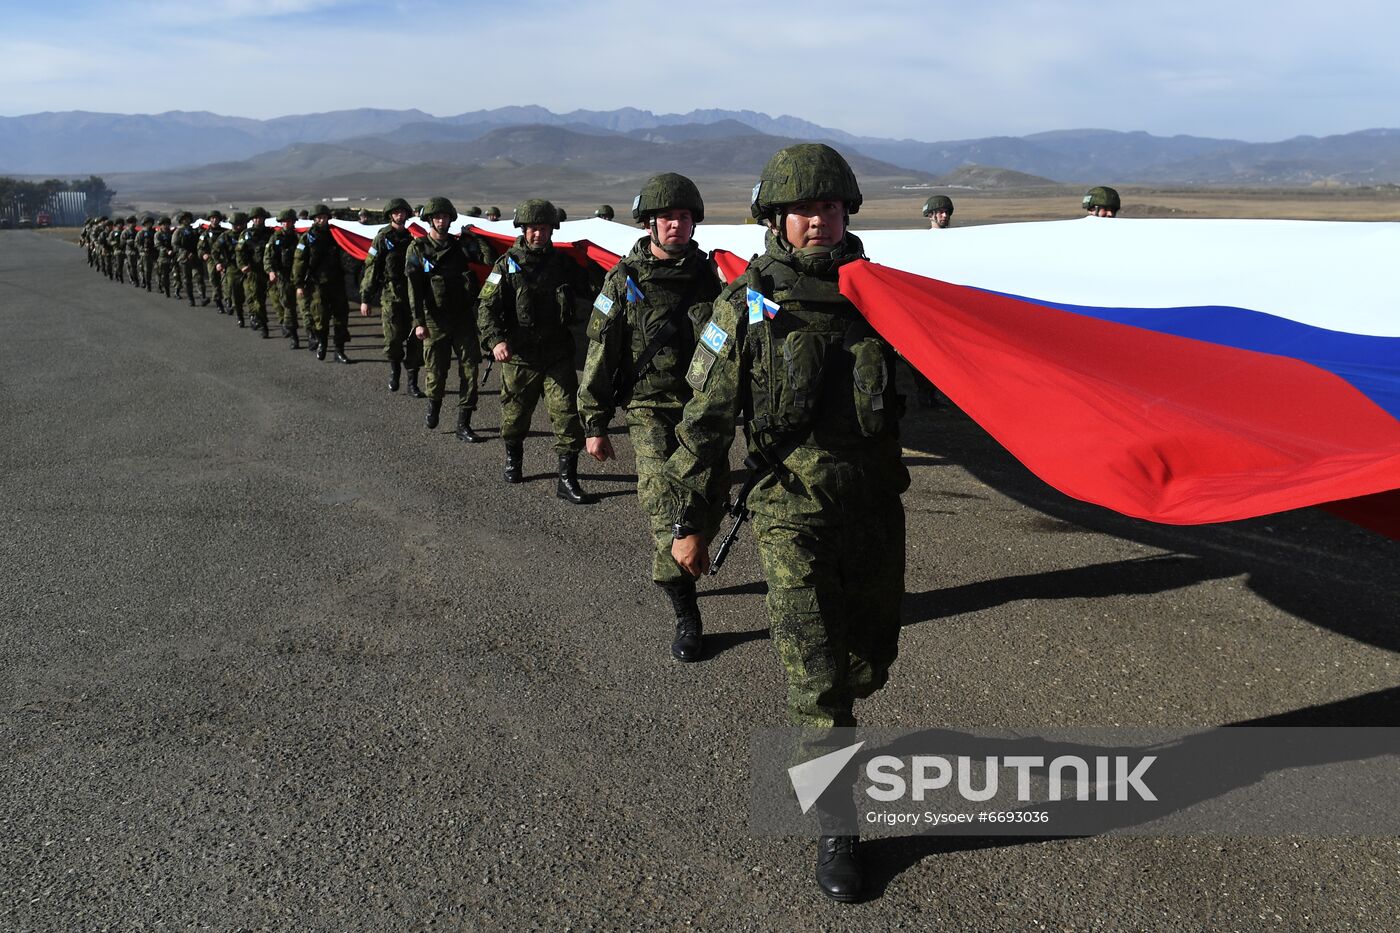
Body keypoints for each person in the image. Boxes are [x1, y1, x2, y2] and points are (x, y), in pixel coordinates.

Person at [663, 143, 908, 902]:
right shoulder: (744, 307)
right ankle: (839, 825)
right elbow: (703, 425)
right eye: (804, 209)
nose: (819, 219)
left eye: (831, 206)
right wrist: (690, 523)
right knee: (818, 680)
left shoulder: (886, 299)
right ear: (776, 218)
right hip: (788, 512)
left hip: (872, 509)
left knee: (869, 658)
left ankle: (839, 721)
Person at [578, 173, 725, 661]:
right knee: (665, 507)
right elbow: (600, 354)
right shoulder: (622, 282)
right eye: (667, 218)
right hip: (649, 411)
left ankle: (691, 547)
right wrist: (594, 424)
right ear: (648, 224)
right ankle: (687, 612)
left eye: (684, 217)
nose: (676, 226)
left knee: (708, 500)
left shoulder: (713, 277)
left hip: (704, 411)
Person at [477, 199, 596, 503]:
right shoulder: (506, 265)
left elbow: (592, 286)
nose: (538, 235)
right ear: (523, 229)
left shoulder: (563, 264)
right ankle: (513, 459)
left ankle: (567, 480)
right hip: (520, 358)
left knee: (568, 416)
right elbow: (486, 308)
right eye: (532, 229)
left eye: (543, 229)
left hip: (557, 355)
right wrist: (496, 341)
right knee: (515, 418)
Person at [406, 197, 482, 439]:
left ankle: (464, 423)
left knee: (470, 370)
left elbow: (489, 259)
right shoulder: (418, 248)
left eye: (445, 217)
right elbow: (414, 288)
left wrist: (477, 237)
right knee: (436, 371)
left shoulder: (461, 246)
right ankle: (434, 405)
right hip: (434, 320)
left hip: (463, 319)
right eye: (437, 217)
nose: (442, 221)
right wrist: (418, 322)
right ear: (430, 220)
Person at [360, 197, 426, 397]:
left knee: (416, 340)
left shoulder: (412, 238)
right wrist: (365, 298)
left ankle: (413, 383)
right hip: (391, 296)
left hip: (412, 296)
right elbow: (372, 268)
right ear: (391, 215)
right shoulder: (382, 238)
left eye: (402, 212)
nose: (400, 215)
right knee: (394, 339)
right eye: (396, 212)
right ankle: (395, 371)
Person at [293, 204, 351, 362]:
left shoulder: (337, 235)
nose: (321, 220)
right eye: (318, 217)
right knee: (320, 317)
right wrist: (299, 285)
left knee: (341, 317)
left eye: (324, 217)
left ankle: (339, 350)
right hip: (317, 284)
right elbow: (299, 261)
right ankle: (322, 344)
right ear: (313, 219)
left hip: (336, 282)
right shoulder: (307, 237)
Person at [265, 210, 302, 348]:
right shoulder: (275, 238)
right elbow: (268, 257)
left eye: (289, 221)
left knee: (305, 307)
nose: (287, 223)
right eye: (284, 221)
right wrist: (271, 271)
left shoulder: (300, 237)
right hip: (284, 276)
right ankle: (294, 336)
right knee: (289, 306)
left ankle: (312, 335)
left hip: (299, 276)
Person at [237, 207, 272, 336]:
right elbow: (239, 252)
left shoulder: (271, 233)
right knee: (258, 299)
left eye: (260, 218)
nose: (258, 220)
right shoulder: (246, 234)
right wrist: (243, 265)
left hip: (270, 270)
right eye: (255, 218)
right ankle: (263, 325)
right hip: (254, 271)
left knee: (278, 299)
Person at [212, 213, 246, 324]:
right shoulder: (225, 236)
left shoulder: (248, 235)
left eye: (240, 224)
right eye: (235, 225)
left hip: (248, 267)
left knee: (252, 292)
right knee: (236, 292)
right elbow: (215, 250)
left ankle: (254, 316)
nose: (238, 227)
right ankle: (240, 315)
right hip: (232, 267)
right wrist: (218, 262)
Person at [173, 211, 208, 306]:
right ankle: (191, 299)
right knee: (187, 280)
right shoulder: (178, 232)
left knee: (199, 278)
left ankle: (202, 297)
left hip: (195, 258)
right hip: (184, 259)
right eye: (184, 219)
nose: (187, 220)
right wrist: (186, 253)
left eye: (188, 219)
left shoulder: (194, 230)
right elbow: (175, 245)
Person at [199, 211, 226, 312]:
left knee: (226, 281)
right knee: (214, 281)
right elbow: (200, 247)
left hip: (224, 259)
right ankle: (218, 302)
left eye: (216, 218)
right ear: (210, 219)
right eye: (212, 218)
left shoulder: (224, 232)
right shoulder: (205, 233)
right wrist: (203, 254)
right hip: (211, 259)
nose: (214, 220)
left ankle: (228, 301)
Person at [153, 216, 176, 297]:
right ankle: (166, 290)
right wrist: (167, 251)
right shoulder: (158, 234)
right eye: (164, 224)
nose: (166, 226)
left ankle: (177, 291)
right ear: (160, 225)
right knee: (164, 275)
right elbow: (158, 245)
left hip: (173, 256)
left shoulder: (172, 233)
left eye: (167, 224)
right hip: (163, 257)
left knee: (176, 274)